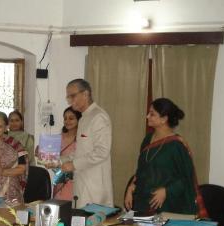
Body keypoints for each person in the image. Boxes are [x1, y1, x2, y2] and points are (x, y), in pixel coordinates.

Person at [124, 98, 206, 216]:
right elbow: (141, 170)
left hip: (168, 204)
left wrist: (166, 191)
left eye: (152, 114)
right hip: (143, 201)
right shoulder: (147, 139)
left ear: (164, 119)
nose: (147, 116)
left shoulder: (177, 145)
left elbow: (186, 178)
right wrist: (132, 187)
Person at [61, 79, 113, 208]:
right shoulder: (84, 118)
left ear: (85, 94)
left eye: (72, 96)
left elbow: (102, 152)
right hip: (82, 182)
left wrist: (73, 164)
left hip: (94, 185)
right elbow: (82, 150)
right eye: (68, 97)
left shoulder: (98, 117)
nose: (69, 100)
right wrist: (60, 161)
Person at [51, 107, 82, 201]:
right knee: (59, 210)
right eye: (65, 118)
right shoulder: (58, 138)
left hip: (77, 181)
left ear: (79, 119)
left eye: (71, 118)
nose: (67, 121)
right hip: (60, 180)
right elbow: (51, 160)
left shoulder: (83, 139)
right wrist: (41, 153)